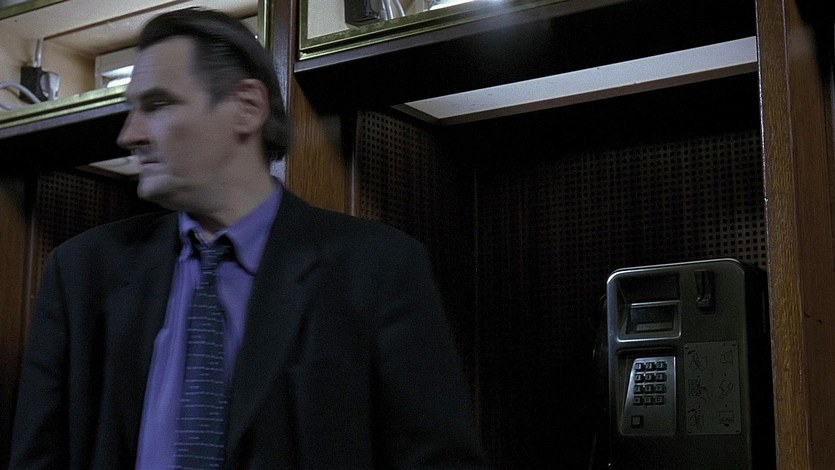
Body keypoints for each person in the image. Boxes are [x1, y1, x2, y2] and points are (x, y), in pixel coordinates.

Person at [10, 8, 488, 469]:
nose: (129, 135)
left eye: (157, 105)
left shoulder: (377, 269)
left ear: (247, 107)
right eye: (131, 109)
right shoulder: (81, 273)